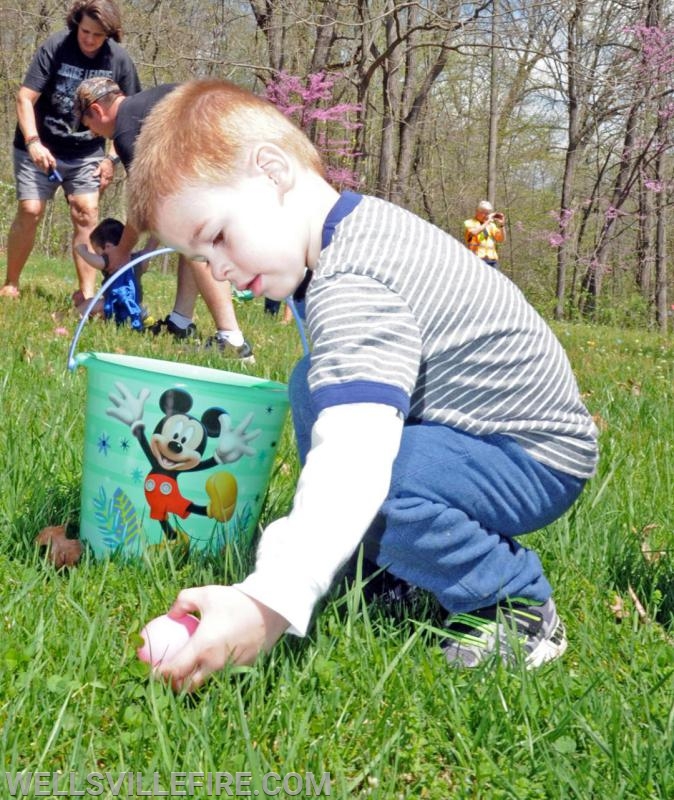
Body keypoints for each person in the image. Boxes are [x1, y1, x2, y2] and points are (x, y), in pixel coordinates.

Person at [126, 79, 599, 691]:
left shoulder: (355, 279)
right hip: (475, 436)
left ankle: (513, 601)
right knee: (314, 385)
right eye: (198, 255)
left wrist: (269, 601)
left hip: (533, 454)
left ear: (272, 172)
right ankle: (392, 568)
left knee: (380, 476)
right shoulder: (346, 237)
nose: (215, 269)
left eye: (216, 236)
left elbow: (356, 455)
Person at [72, 77, 254, 361]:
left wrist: (121, 252)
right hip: (239, 147)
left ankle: (232, 341)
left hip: (234, 156)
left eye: (88, 125)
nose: (94, 134)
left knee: (197, 239)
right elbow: (162, 204)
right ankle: (180, 323)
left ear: (96, 110)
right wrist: (148, 249)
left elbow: (145, 201)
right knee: (186, 231)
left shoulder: (126, 130)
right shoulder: (144, 108)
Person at [0, 0, 141, 301]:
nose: (89, 39)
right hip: (39, 144)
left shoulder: (119, 60)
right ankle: (11, 283)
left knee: (86, 214)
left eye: (98, 35)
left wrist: (111, 159)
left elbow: (129, 115)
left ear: (110, 34)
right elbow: (25, 98)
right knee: (30, 209)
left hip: (87, 151)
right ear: (77, 23)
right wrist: (33, 142)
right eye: (85, 31)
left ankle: (87, 295)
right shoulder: (56, 46)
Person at [74, 216, 152, 330]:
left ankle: (71, 316)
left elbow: (99, 263)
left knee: (91, 303)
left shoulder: (111, 258)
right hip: (135, 307)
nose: (98, 256)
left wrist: (83, 251)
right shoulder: (137, 260)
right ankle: (140, 316)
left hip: (117, 306)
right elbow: (148, 253)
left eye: (97, 252)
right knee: (98, 307)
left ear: (108, 247)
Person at [463, 200, 506, 268]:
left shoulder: (491, 225)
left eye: (488, 213)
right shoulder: (469, 222)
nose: (486, 215)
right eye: (484, 213)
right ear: (477, 212)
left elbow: (501, 239)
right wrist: (488, 222)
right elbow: (474, 233)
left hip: (492, 259)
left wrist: (502, 225)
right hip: (477, 258)